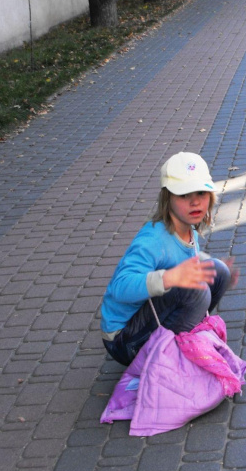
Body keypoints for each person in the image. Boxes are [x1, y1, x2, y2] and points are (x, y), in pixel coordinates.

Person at [100, 152, 237, 366]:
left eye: (201, 192)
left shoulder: (186, 228)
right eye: (184, 195)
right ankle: (174, 357)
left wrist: (213, 267)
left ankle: (187, 341)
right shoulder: (152, 239)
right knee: (197, 288)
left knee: (217, 271)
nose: (194, 201)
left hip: (148, 322)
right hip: (124, 341)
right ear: (168, 199)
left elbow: (181, 257)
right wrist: (168, 278)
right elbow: (119, 286)